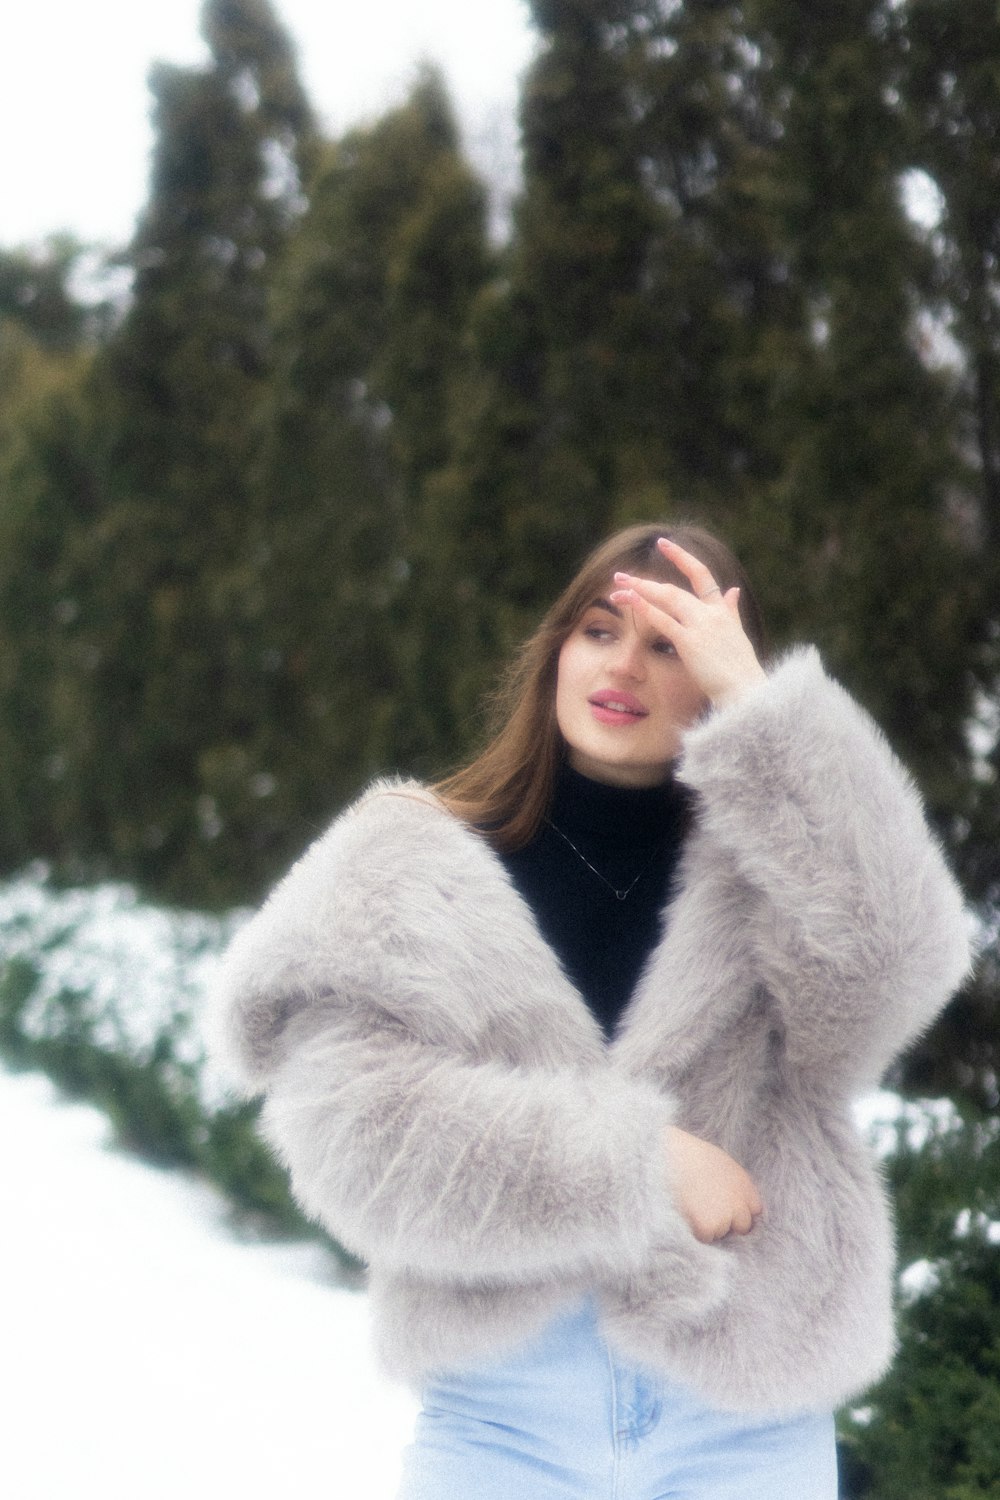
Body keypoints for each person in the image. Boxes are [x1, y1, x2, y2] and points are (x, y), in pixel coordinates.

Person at [209, 523, 971, 1500]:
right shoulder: (404, 867)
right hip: (502, 1413)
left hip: (745, 1409)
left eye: (668, 643)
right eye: (598, 628)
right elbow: (358, 1138)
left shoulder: (778, 876)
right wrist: (636, 1162)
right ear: (553, 651)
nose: (625, 664)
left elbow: (897, 963)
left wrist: (767, 714)